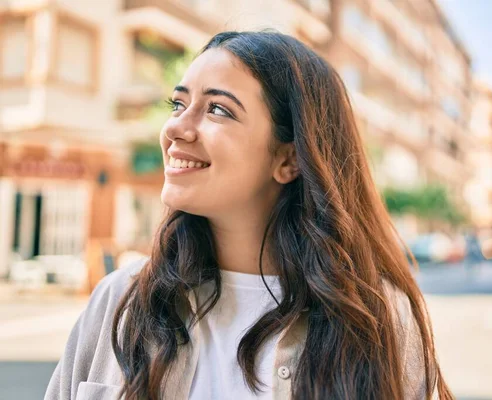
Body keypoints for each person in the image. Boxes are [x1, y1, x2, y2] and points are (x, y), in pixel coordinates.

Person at [45, 31, 453, 400]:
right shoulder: (121, 301)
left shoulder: (379, 320)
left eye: (218, 110)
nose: (176, 129)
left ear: (289, 158)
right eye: (179, 103)